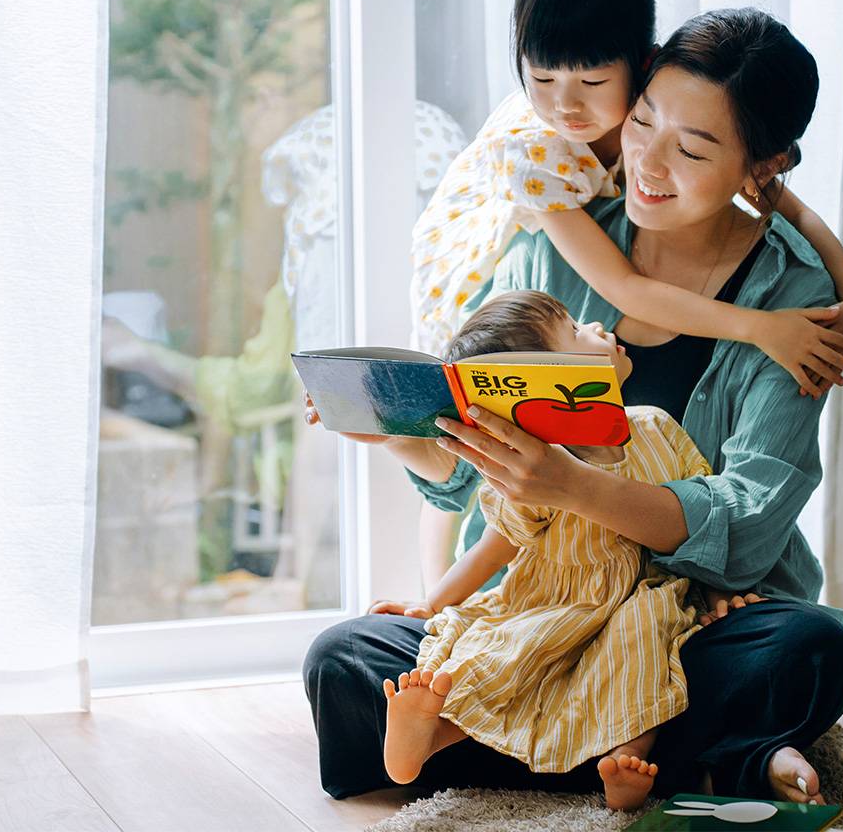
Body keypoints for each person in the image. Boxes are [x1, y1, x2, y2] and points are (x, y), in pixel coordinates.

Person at [304, 7, 843, 805]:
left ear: (761, 166)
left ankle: (507, 743)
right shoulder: (555, 243)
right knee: (344, 658)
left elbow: (749, 525)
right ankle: (690, 754)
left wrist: (574, 487)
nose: (647, 159)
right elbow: (472, 481)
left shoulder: (792, 306)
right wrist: (391, 431)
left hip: (691, 617)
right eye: (642, 121)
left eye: (692, 147)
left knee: (808, 649)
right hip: (545, 618)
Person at [310, 290, 743, 810]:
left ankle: (624, 763)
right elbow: (495, 549)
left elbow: (704, 522)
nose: (596, 325)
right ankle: (429, 734)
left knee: (642, 650)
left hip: (636, 602)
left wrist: (722, 594)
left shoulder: (655, 426)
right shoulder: (531, 463)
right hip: (549, 603)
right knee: (501, 656)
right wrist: (433, 604)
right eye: (577, 331)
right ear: (551, 379)